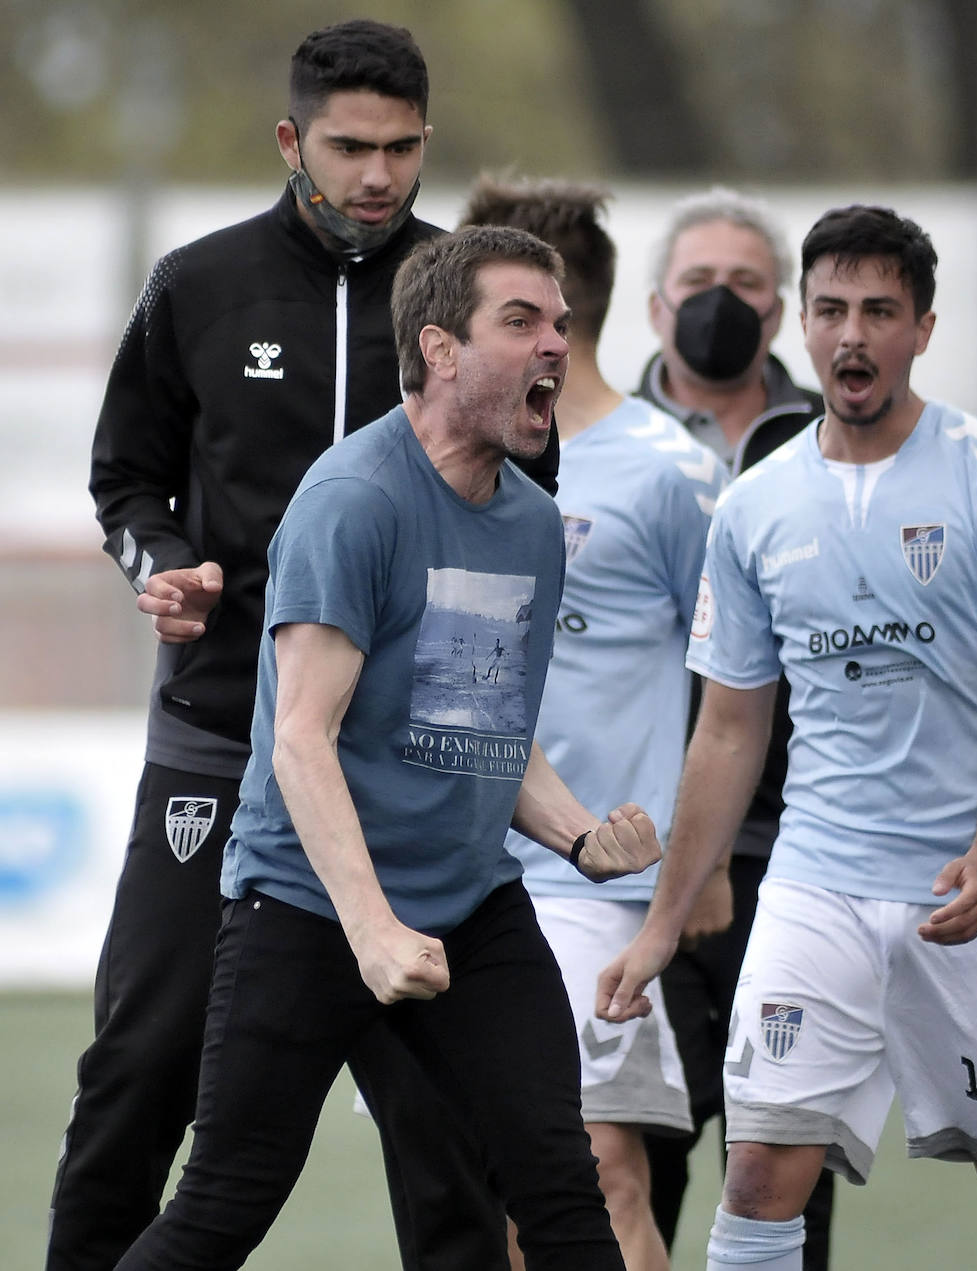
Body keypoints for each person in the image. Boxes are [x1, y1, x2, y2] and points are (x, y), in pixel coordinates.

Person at [64, 20, 556, 1271]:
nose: (378, 175)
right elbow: (124, 478)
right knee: (144, 1060)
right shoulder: (199, 283)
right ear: (294, 141)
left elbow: (526, 493)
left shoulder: (474, 299)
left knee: (444, 1125)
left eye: (401, 148)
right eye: (349, 147)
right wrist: (159, 565)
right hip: (225, 737)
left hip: (410, 774)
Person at [110, 224, 659, 1271]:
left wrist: (583, 836)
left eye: (563, 324)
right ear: (441, 348)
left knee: (561, 1189)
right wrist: (369, 928)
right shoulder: (353, 498)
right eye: (523, 321)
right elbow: (301, 744)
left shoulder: (533, 522)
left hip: (469, 910)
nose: (558, 345)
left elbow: (477, 721)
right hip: (310, 904)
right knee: (223, 1205)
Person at [600, 203, 977, 1271]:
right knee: (759, 1178)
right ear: (804, 324)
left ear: (924, 327)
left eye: (880, 310)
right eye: (831, 308)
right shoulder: (753, 508)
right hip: (816, 885)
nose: (852, 334)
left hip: (976, 896)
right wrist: (660, 924)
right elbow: (728, 732)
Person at [460, 175, 728, 1271]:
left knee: (596, 1167)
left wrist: (696, 861)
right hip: (459, 874)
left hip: (596, 883)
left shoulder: (675, 475)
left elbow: (736, 681)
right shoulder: (457, 462)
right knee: (490, 1182)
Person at [634, 187, 835, 1269]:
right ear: (656, 305)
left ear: (784, 307)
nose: (722, 303)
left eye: (748, 285)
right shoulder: (586, 438)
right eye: (700, 283)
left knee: (785, 1175)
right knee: (633, 1161)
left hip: (806, 858)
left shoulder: (838, 441)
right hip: (629, 855)